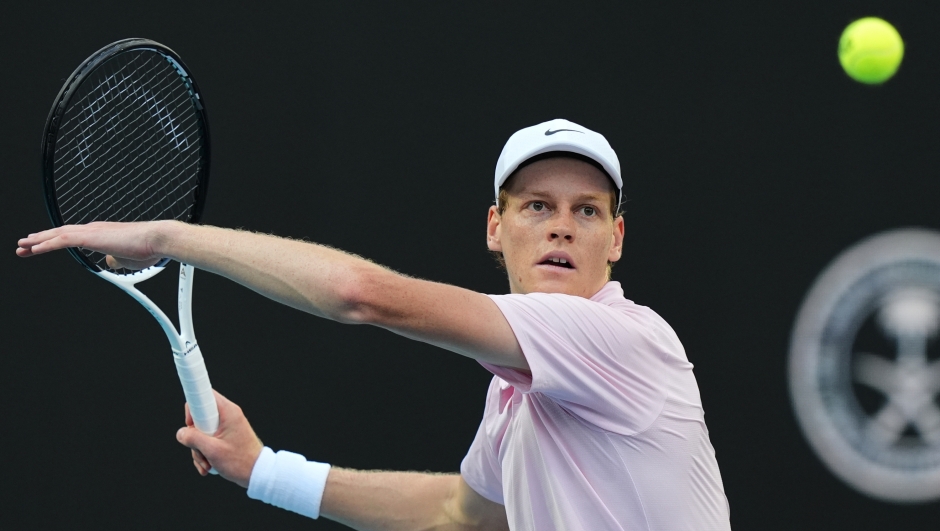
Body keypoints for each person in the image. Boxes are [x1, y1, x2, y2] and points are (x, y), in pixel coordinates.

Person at [17, 119, 731, 530]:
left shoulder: (621, 340)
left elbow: (361, 294)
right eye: (536, 205)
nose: (562, 228)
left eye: (587, 210)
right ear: (496, 227)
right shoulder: (520, 394)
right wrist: (268, 470)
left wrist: (169, 238)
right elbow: (460, 513)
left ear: (616, 238)